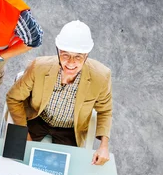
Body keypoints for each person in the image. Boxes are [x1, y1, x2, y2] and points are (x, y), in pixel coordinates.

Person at [6, 20, 112, 165]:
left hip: (69, 131)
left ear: (86, 55)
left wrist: (103, 146)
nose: (70, 63)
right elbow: (13, 97)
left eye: (78, 56)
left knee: (63, 174)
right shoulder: (39, 67)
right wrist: (23, 133)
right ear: (58, 50)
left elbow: (105, 111)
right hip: (36, 119)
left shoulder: (101, 76)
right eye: (65, 55)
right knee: (13, 162)